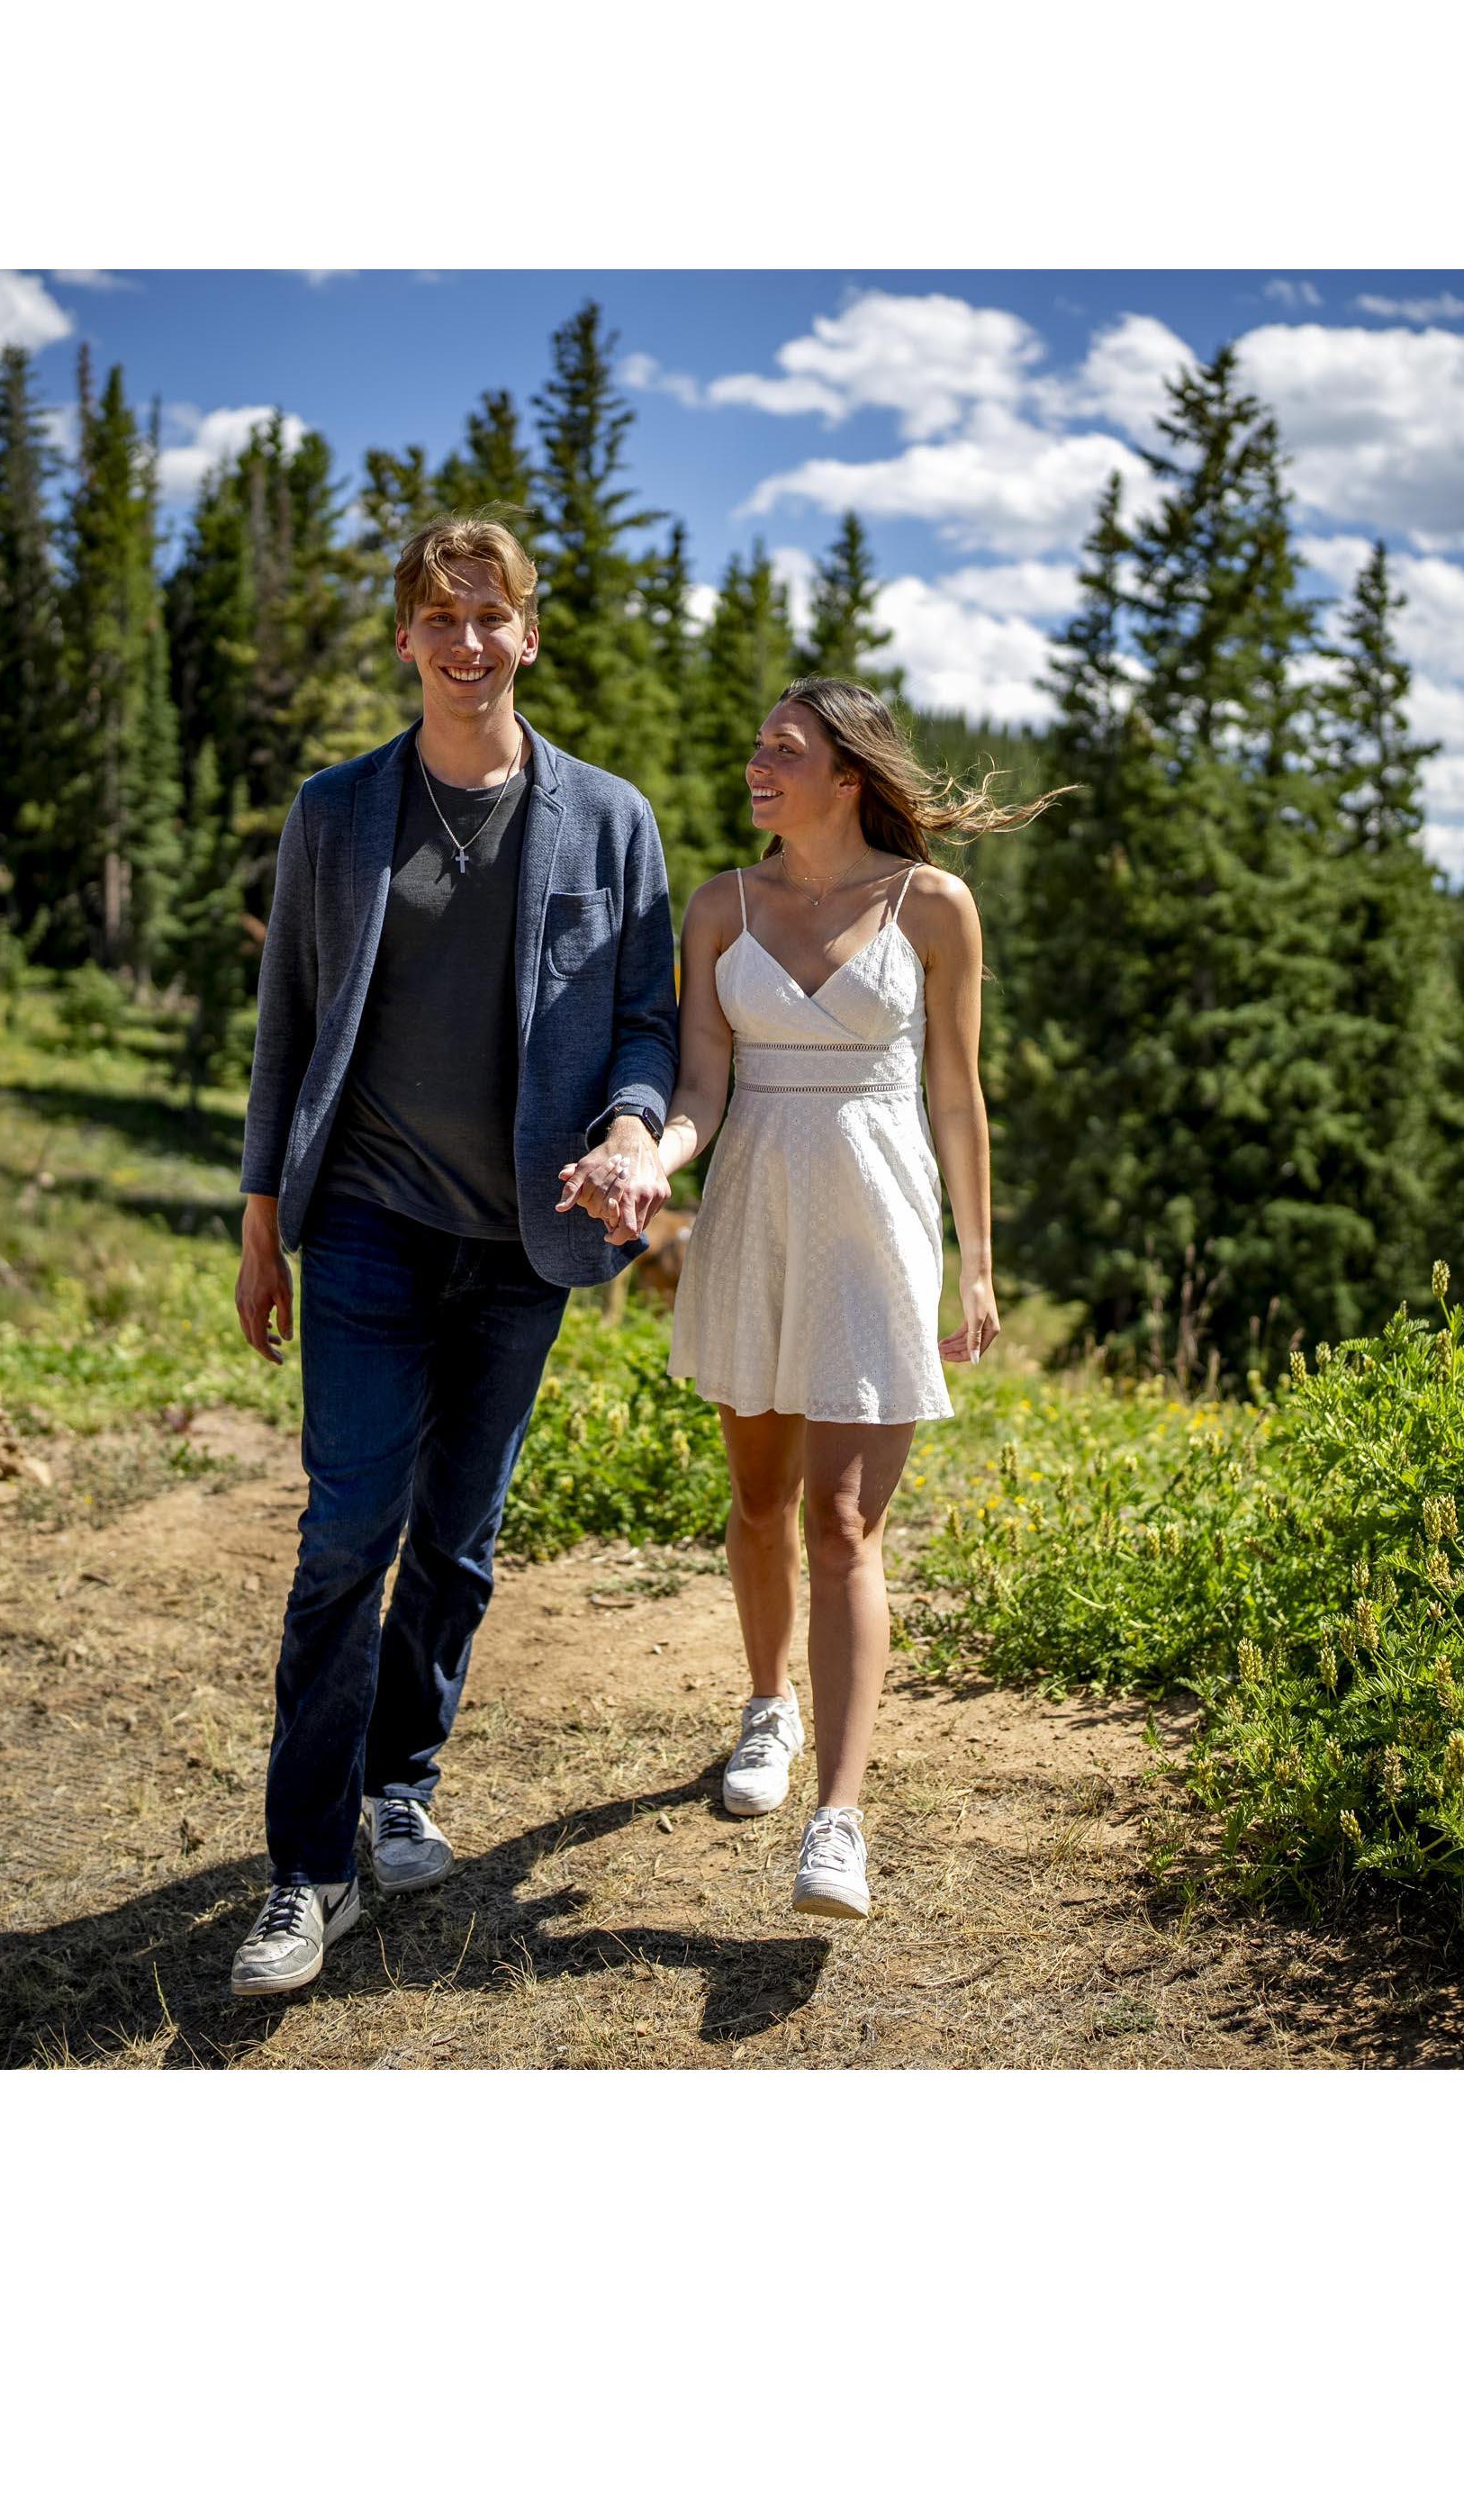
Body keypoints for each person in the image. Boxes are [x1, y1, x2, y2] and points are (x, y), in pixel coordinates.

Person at [226, 517, 677, 1998]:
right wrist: (263, 1224)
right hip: (366, 1222)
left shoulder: (609, 819)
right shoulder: (339, 811)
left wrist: (632, 1126)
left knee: (461, 1542)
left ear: (529, 635)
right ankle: (308, 1872)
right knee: (347, 1533)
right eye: (440, 617)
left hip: (524, 1243)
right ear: (406, 639)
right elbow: (287, 1028)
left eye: (492, 617)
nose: (467, 642)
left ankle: (400, 1780)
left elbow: (647, 1023)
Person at [563, 677, 1062, 1922]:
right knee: (758, 1499)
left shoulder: (934, 907)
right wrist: (648, 1161)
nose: (757, 765)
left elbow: (957, 1094)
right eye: (756, 745)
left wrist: (980, 1261)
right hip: (754, 1214)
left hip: (878, 1223)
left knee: (843, 1523)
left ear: (849, 775)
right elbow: (699, 1089)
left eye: (783, 750)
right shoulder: (720, 907)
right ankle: (766, 1706)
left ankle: (837, 1820)